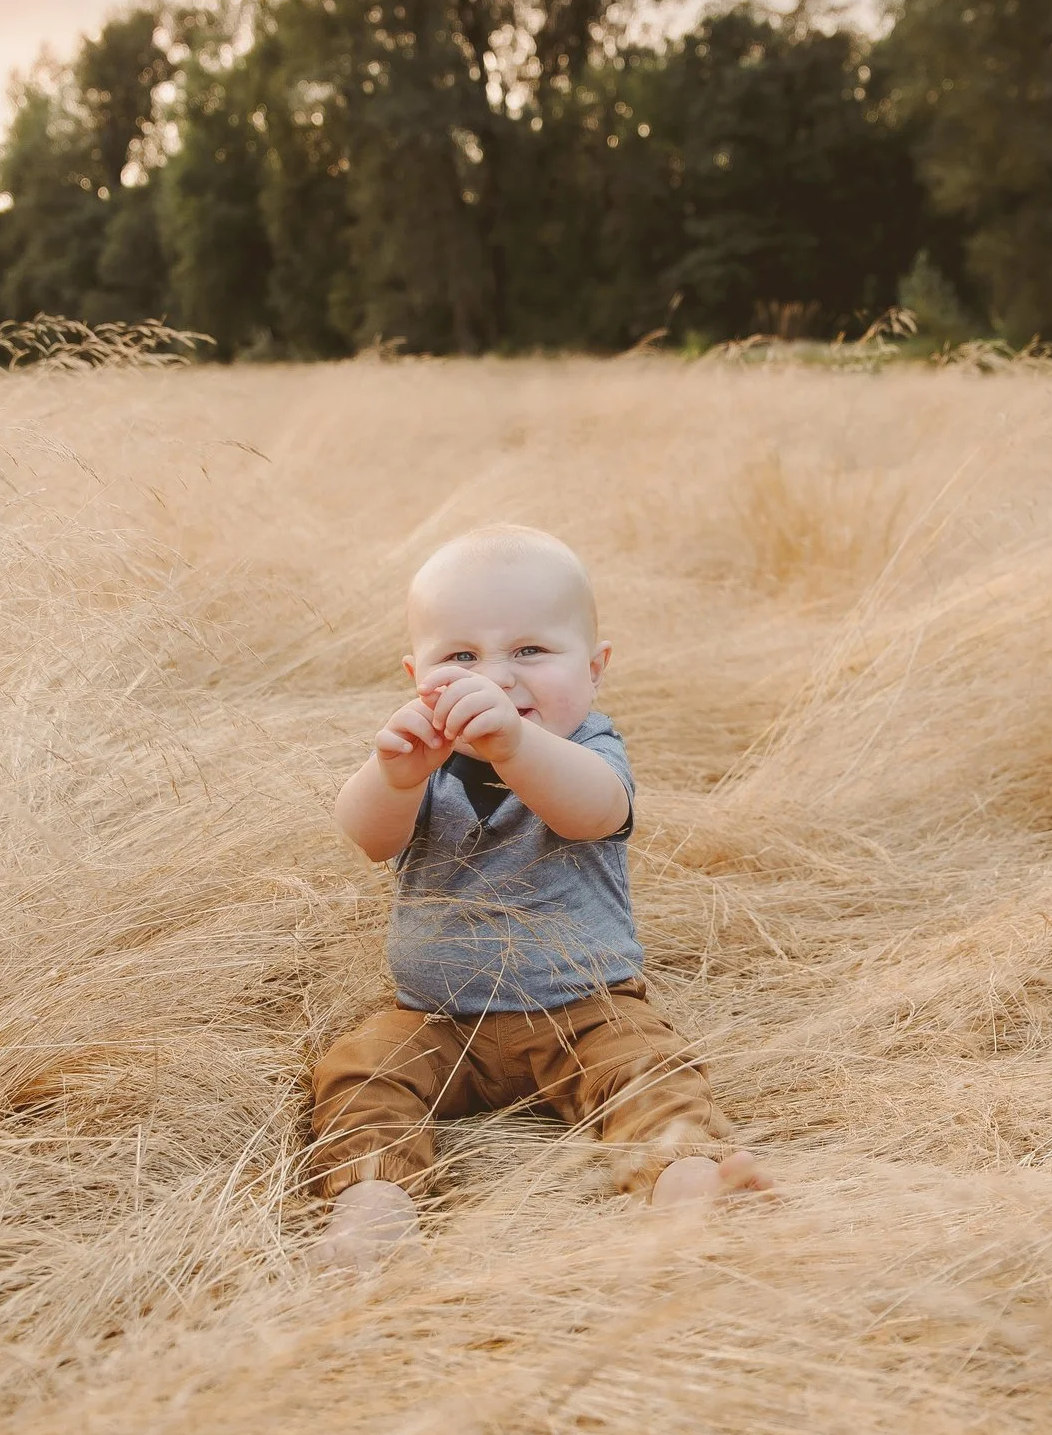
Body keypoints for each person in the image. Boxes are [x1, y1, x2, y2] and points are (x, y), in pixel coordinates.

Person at [312, 525, 772, 1266]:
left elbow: (592, 811)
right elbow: (369, 837)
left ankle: (691, 1188)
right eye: (461, 657)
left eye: (530, 650)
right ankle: (375, 1205)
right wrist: (391, 776)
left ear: (594, 669)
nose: (495, 677)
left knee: (650, 1072)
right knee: (359, 1070)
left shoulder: (589, 750)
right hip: (440, 1017)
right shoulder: (424, 761)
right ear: (416, 674)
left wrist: (514, 749)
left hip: (586, 1006)